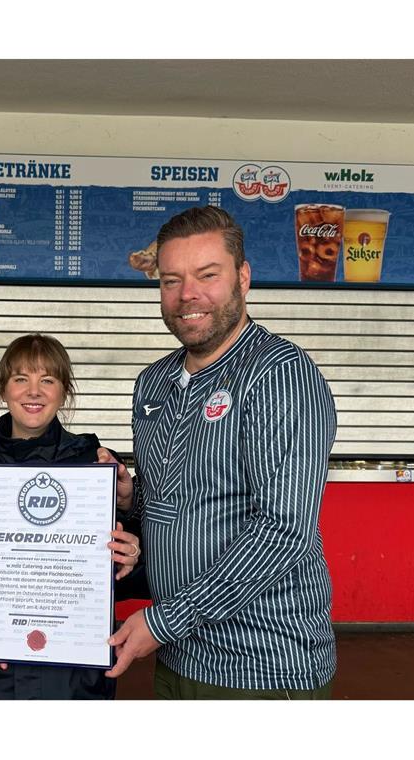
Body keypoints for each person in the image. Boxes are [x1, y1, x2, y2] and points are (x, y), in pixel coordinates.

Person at [104, 205, 338, 699]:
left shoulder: (280, 375)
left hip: (263, 666)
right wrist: (130, 500)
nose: (188, 295)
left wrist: (164, 621)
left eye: (207, 275)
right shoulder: (154, 383)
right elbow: (173, 510)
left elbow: (283, 533)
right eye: (171, 280)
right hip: (178, 656)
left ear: (243, 278)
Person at [0, 333, 148, 699]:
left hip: (77, 675)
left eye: (48, 380)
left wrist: (132, 556)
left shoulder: (97, 467)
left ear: (64, 391)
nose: (33, 391)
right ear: (3, 389)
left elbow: (131, 569)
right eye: (21, 379)